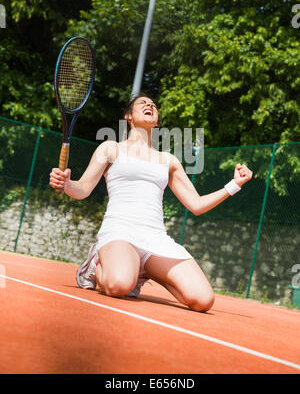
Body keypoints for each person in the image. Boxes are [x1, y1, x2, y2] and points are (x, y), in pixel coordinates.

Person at [49, 93, 253, 312]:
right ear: (128, 116)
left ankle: (140, 272)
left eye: (153, 104)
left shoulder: (169, 161)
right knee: (118, 285)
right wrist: (67, 184)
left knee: (203, 300)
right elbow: (83, 189)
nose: (150, 105)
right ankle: (96, 265)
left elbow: (196, 205)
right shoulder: (111, 149)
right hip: (119, 233)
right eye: (142, 103)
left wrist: (234, 184)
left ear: (157, 122)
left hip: (155, 239)